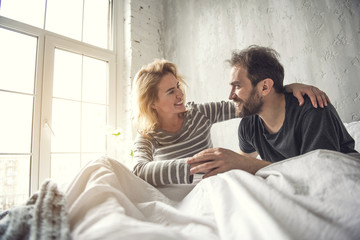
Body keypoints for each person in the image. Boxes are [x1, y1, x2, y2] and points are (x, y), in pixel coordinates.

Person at [132, 58, 330, 186]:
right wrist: (200, 166)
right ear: (152, 104)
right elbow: (139, 170)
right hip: (178, 197)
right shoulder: (147, 135)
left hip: (213, 190)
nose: (180, 94)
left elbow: (249, 102)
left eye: (177, 86)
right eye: (170, 91)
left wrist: (287, 88)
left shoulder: (199, 113)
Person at [187, 45, 358, 178]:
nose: (230, 96)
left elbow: (320, 173)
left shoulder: (313, 109)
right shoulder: (249, 124)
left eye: (237, 86)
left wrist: (244, 163)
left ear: (265, 87)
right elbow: (243, 161)